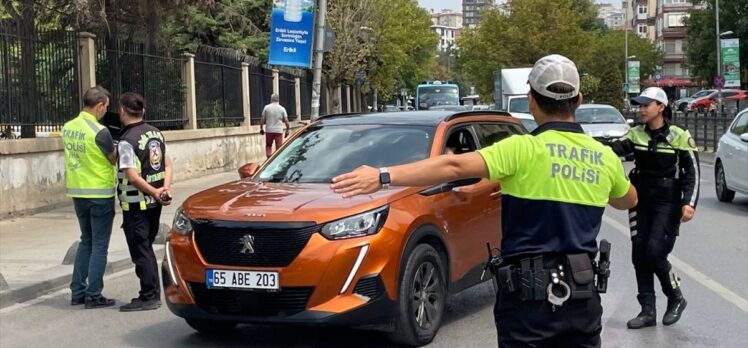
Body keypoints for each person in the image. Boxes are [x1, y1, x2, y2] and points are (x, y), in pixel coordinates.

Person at [330, 54, 638, 347]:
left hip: (528, 303)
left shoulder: (520, 150)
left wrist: (382, 175)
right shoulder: (604, 158)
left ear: (531, 100)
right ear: (579, 100)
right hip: (582, 298)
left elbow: (452, 166)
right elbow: (627, 200)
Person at [608, 87, 698, 329]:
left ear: (661, 107)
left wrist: (689, 203)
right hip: (640, 200)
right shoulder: (635, 134)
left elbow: (692, 173)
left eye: (647, 105)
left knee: (655, 252)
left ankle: (676, 297)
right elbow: (611, 151)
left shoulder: (679, 135)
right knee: (639, 254)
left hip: (667, 202)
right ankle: (647, 311)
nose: (642, 109)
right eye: (640, 105)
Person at [115, 92, 173, 312]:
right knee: (146, 248)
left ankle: (149, 296)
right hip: (155, 204)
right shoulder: (155, 133)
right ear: (143, 111)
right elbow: (167, 165)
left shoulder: (126, 141)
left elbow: (132, 176)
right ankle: (151, 293)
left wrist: (155, 192)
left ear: (122, 111)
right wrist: (163, 189)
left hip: (136, 204)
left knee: (141, 251)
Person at [62, 86, 118, 309]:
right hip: (100, 194)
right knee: (99, 245)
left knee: (86, 240)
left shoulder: (68, 128)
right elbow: (112, 159)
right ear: (100, 105)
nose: (106, 111)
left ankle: (77, 292)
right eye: (106, 107)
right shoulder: (99, 131)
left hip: (78, 192)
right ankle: (94, 295)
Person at [259, 93, 290, 158]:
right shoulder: (282, 108)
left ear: (271, 99)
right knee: (279, 149)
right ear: (278, 100)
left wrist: (261, 128)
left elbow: (262, 119)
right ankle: (277, 160)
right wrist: (287, 129)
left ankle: (269, 157)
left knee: (268, 145)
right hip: (278, 131)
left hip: (269, 130)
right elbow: (286, 121)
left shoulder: (266, 107)